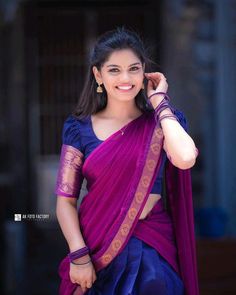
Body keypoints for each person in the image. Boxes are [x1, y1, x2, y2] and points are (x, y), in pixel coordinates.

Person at [55, 27, 199, 295]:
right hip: (96, 249)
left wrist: (160, 103)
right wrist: (79, 255)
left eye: (134, 68)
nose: (125, 78)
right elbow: (65, 201)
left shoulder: (163, 123)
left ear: (144, 71)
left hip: (151, 250)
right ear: (98, 74)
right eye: (114, 70)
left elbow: (186, 158)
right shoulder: (78, 129)